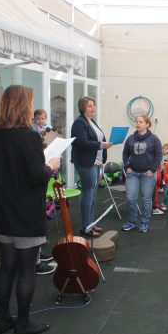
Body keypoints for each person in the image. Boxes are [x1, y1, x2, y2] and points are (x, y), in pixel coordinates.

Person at [0, 85, 61, 334]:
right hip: (25, 213)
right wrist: (50, 165)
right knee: (26, 270)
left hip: (3, 212)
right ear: (24, 105)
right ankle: (24, 324)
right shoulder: (27, 136)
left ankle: (4, 319)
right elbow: (36, 176)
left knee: (7, 267)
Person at [71, 96, 112, 237]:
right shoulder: (79, 123)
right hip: (86, 162)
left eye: (93, 105)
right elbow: (82, 143)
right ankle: (86, 227)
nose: (93, 108)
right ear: (83, 107)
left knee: (93, 193)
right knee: (88, 193)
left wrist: (104, 146)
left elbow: (98, 138)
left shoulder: (90, 121)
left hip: (96, 161)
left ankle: (91, 223)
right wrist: (101, 145)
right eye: (89, 106)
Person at [122, 115, 163, 233]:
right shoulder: (130, 139)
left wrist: (152, 170)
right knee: (130, 198)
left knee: (146, 199)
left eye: (141, 122)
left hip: (148, 174)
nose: (138, 124)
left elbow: (159, 155)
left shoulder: (154, 139)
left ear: (147, 124)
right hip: (133, 173)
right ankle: (132, 221)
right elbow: (125, 153)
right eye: (137, 122)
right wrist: (127, 167)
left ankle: (144, 222)